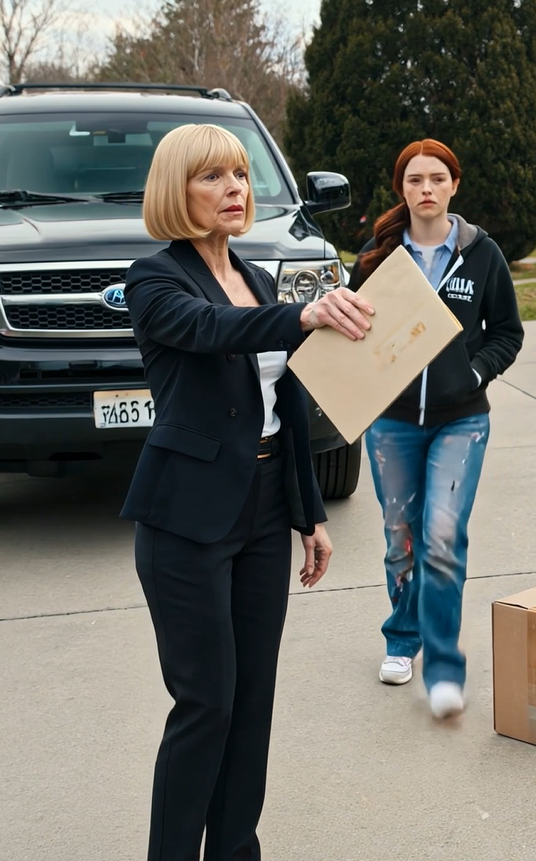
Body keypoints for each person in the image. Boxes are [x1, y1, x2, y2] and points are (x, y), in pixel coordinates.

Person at [120, 123, 374, 861]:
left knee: (252, 705)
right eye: (213, 178)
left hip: (264, 506)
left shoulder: (258, 277)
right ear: (177, 191)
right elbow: (209, 329)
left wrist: (309, 512)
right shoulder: (154, 277)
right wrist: (305, 313)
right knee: (208, 705)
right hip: (184, 518)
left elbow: (286, 400)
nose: (236, 189)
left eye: (239, 174)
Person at [347, 138, 523, 718]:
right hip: (391, 422)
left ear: (454, 186)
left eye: (437, 178)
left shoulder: (482, 255)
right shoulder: (376, 258)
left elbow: (507, 333)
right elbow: (350, 333)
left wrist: (475, 371)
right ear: (402, 188)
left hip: (461, 421)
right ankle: (403, 638)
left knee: (442, 538)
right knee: (402, 538)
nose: (426, 189)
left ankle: (444, 667)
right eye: (415, 179)